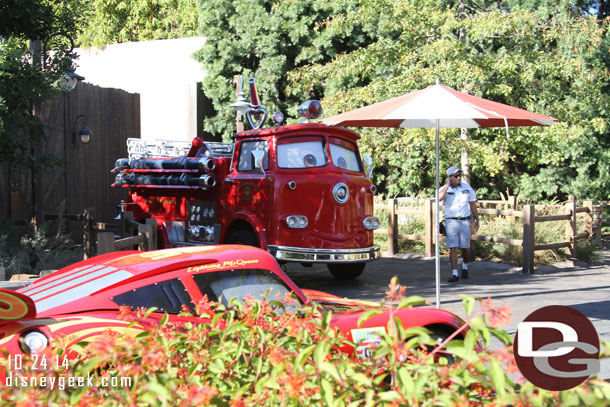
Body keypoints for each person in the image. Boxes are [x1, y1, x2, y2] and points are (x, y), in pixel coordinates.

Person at [439, 166, 479, 282]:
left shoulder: (467, 188)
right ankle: (455, 273)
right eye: (456, 176)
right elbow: (439, 198)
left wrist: (477, 218)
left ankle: (465, 266)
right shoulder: (444, 189)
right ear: (450, 177)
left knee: (465, 248)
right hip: (451, 220)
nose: (458, 178)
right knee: (453, 248)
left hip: (465, 221)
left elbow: (472, 204)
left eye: (459, 176)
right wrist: (447, 185)